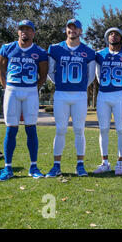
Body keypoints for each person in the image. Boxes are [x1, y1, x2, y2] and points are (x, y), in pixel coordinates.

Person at [0, 19, 48, 181]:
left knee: (31, 129)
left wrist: (33, 88)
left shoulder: (40, 52)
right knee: (11, 129)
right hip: (12, 90)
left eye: (28, 29)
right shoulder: (7, 48)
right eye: (22, 29)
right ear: (18, 32)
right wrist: (7, 87)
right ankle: (7, 168)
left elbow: (43, 75)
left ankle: (34, 167)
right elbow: (0, 70)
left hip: (30, 91)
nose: (24, 32)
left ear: (33, 32)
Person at [45, 18, 96, 177]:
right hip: (61, 94)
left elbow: (91, 76)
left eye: (75, 28)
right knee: (60, 130)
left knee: (79, 130)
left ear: (81, 31)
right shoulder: (55, 49)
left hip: (80, 95)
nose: (72, 31)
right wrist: (62, 84)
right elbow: (50, 72)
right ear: (66, 30)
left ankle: (80, 165)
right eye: (69, 28)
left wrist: (80, 87)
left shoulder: (88, 51)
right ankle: (56, 165)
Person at [93, 27, 122, 175]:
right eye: (110, 34)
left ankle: (119, 161)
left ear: (121, 38)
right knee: (103, 129)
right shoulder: (100, 54)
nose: (113, 36)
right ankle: (105, 162)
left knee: (120, 129)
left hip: (119, 95)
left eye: (116, 34)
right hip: (103, 95)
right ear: (107, 38)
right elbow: (98, 75)